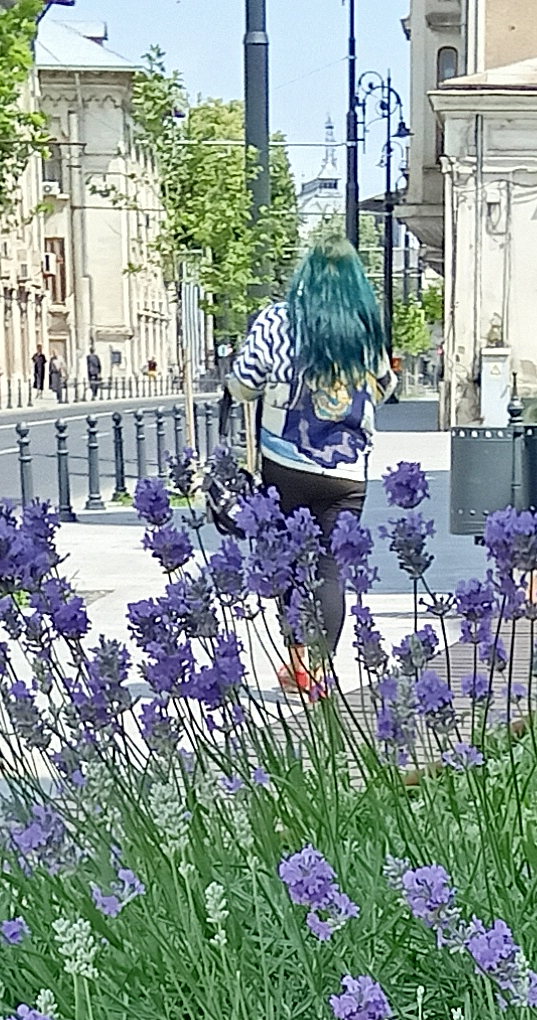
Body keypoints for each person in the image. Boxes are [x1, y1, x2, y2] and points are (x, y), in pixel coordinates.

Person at [227, 231, 393, 691]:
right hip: (347, 473)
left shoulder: (278, 321)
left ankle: (297, 661)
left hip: (286, 466)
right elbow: (386, 385)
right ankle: (320, 670)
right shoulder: (363, 327)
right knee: (330, 568)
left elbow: (243, 383)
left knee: (286, 559)